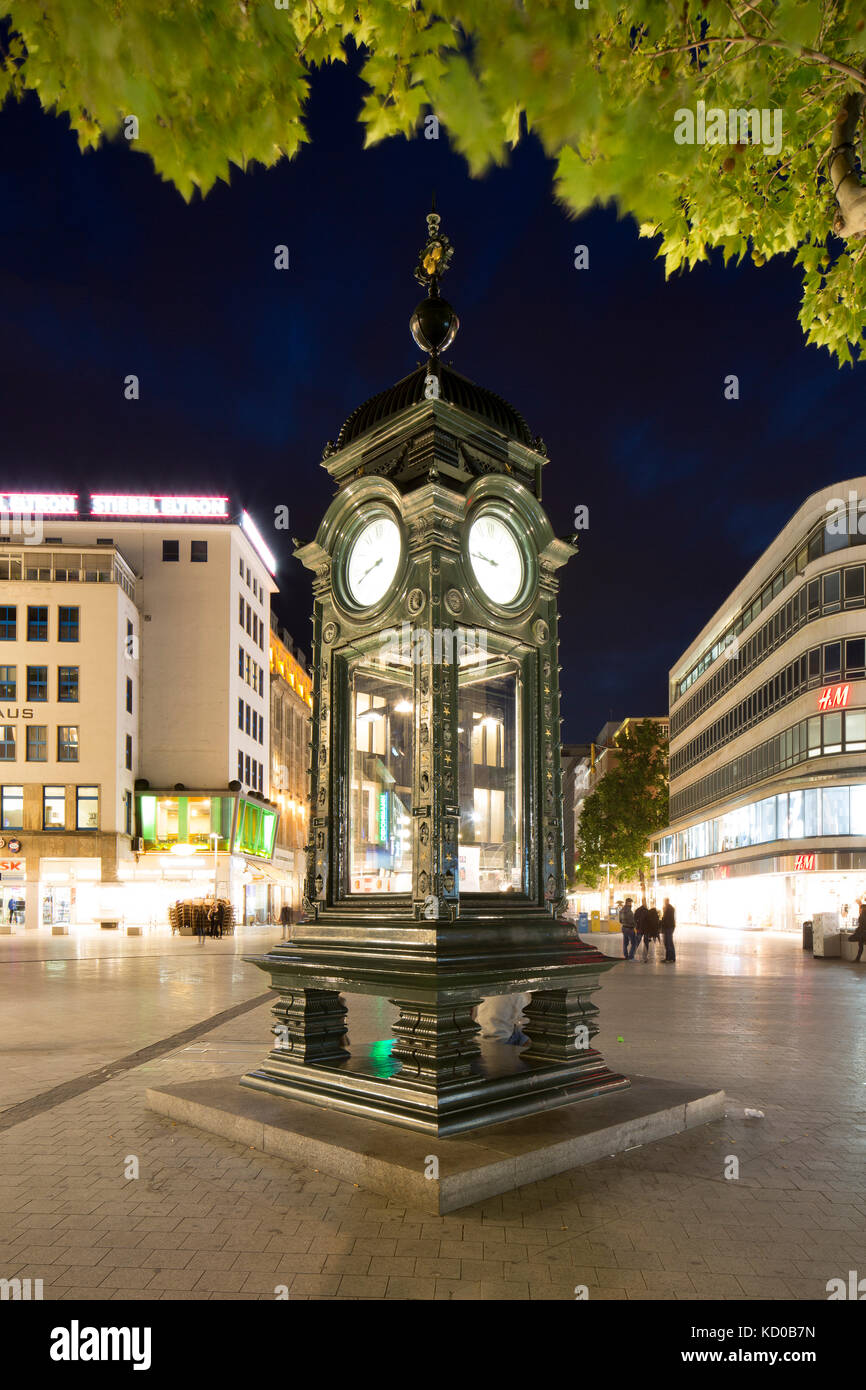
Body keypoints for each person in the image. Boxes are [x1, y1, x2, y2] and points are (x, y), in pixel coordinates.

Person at [661, 897, 676, 963]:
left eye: (664, 901)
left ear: (666, 901)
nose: (664, 903)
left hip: (669, 927)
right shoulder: (668, 908)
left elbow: (666, 919)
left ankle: (670, 958)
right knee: (668, 943)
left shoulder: (669, 908)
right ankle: (670, 958)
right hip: (668, 927)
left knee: (668, 943)